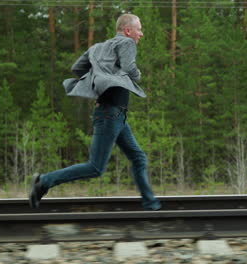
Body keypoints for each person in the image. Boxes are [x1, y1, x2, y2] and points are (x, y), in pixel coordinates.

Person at [29, 14, 161, 211]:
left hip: (116, 116)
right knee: (96, 167)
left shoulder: (98, 47)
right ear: (127, 31)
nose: (141, 34)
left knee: (139, 158)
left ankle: (151, 205)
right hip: (110, 115)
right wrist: (132, 76)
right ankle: (44, 181)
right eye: (139, 29)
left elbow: (77, 68)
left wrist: (101, 77)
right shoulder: (127, 43)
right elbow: (130, 68)